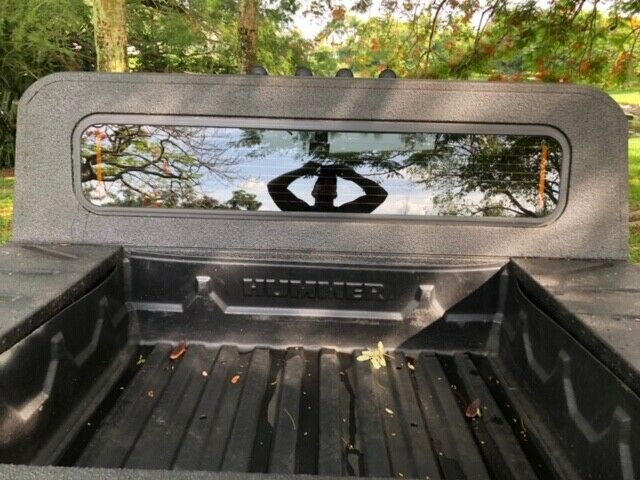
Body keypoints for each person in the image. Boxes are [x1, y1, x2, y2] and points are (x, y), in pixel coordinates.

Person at [268, 161, 387, 213]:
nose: (327, 185)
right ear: (313, 192)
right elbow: (274, 187)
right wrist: (302, 170)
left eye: (331, 183)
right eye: (322, 182)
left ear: (336, 194)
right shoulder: (303, 211)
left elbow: (380, 195)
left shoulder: (344, 213)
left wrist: (354, 176)